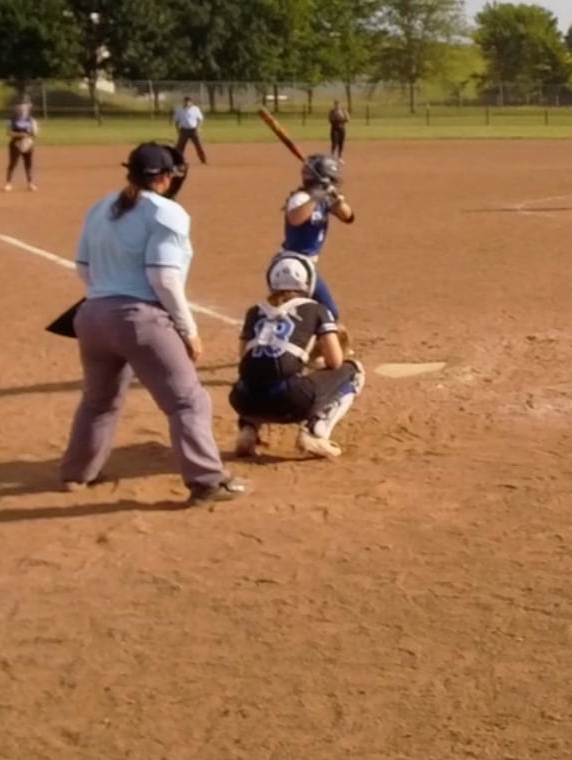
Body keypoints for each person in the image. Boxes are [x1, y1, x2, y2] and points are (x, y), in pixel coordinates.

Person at [62, 143, 247, 505]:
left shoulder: (101, 207)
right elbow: (163, 277)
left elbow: (83, 268)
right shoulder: (167, 212)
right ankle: (207, 481)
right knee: (188, 402)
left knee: (98, 401)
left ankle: (76, 474)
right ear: (164, 178)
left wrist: (107, 295)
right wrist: (188, 330)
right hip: (140, 320)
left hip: (92, 315)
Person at [228, 252, 365, 460]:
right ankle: (316, 432)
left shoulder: (254, 312)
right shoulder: (317, 309)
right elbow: (335, 361)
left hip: (243, 401)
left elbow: (244, 358)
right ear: (307, 283)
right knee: (354, 371)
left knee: (255, 373)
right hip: (290, 402)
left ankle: (248, 429)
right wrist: (311, 362)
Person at [282, 154, 356, 327]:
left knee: (318, 313)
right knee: (328, 312)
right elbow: (295, 219)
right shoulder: (301, 198)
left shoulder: (325, 199)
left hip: (307, 265)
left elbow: (348, 217)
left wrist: (336, 199)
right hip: (293, 264)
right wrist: (316, 196)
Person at [5, 99, 38, 192]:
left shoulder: (31, 120)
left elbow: (35, 133)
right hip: (16, 144)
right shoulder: (12, 120)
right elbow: (9, 133)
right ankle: (8, 183)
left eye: (23, 109)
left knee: (28, 164)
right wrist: (19, 135)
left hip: (28, 144)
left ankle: (30, 183)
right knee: (13, 164)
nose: (21, 110)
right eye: (19, 109)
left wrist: (31, 134)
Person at [172, 97, 208, 164]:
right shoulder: (179, 110)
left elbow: (199, 119)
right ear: (183, 102)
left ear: (191, 102)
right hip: (184, 130)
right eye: (185, 101)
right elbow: (176, 121)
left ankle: (203, 160)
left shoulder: (195, 109)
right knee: (180, 146)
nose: (187, 103)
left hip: (193, 130)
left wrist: (198, 127)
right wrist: (177, 129)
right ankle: (177, 160)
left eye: (188, 102)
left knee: (198, 145)